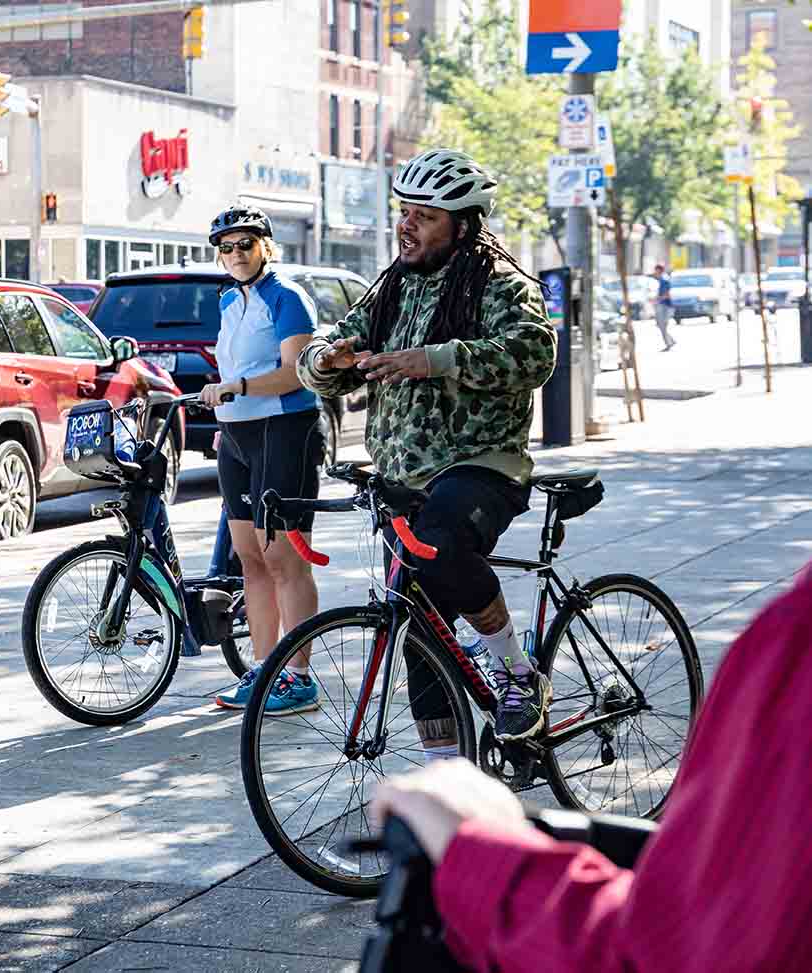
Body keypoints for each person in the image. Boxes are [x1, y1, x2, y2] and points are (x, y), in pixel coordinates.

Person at [370, 561, 812, 973]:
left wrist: (483, 854)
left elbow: (682, 952)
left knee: (441, 541)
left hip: (491, 477)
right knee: (421, 580)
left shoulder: (796, 641)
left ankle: (516, 673)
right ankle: (447, 756)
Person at [298, 149, 557, 747]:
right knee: (417, 623)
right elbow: (330, 352)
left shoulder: (500, 285)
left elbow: (534, 356)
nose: (406, 224)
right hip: (402, 474)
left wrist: (435, 359)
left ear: (462, 226)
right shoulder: (395, 287)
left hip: (480, 464)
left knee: (438, 546)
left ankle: (519, 673)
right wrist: (327, 360)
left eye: (425, 215)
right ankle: (449, 782)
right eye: (404, 211)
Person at [199, 205, 326, 716]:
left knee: (284, 558)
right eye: (225, 248)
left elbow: (297, 373)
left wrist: (239, 388)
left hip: (284, 430)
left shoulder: (288, 297)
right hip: (239, 436)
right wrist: (227, 423)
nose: (234, 255)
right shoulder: (231, 300)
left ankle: (298, 677)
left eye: (244, 245)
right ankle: (265, 667)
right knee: (249, 556)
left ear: (265, 247)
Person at [652, 263, 675, 351]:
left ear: (659, 270)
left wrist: (658, 299)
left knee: (662, 325)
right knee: (661, 325)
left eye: (656, 270)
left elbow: (666, 294)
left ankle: (669, 343)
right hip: (663, 305)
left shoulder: (664, 280)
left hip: (665, 306)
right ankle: (670, 341)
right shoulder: (661, 280)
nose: (655, 272)